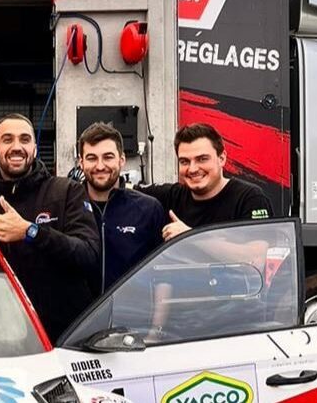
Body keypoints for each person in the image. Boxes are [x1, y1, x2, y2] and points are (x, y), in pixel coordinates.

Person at [0, 114, 102, 340]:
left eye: (25, 139)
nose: (17, 147)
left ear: (34, 149)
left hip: (65, 338)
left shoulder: (67, 191)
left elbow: (88, 254)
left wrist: (31, 232)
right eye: (7, 139)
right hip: (1, 337)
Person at [139, 123, 273, 240]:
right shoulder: (171, 196)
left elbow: (255, 256)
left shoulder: (249, 198)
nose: (192, 169)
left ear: (222, 159)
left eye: (202, 159)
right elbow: (128, 189)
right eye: (184, 161)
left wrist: (189, 236)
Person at [77, 123, 167, 294]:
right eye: (92, 158)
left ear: (122, 160)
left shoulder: (148, 209)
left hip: (133, 310)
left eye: (108, 157)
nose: (100, 166)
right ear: (81, 162)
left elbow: (162, 275)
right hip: (81, 311)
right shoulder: (69, 207)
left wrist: (159, 312)